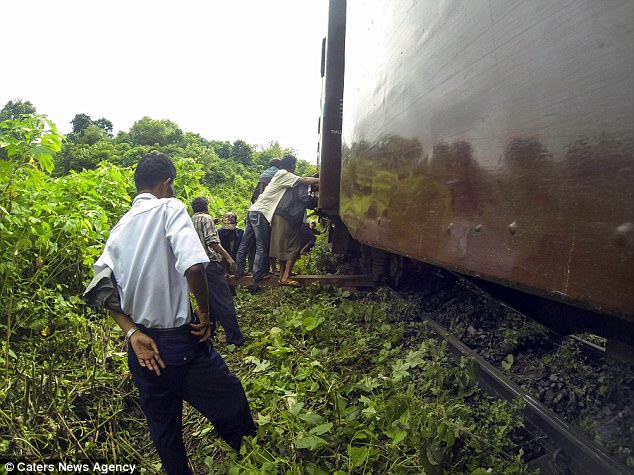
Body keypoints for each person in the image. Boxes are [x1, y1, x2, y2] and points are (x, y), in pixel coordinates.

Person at [93, 153, 255, 475]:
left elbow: (101, 289)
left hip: (140, 347)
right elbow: (195, 265)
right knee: (230, 398)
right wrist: (206, 314)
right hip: (178, 345)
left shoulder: (120, 226)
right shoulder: (170, 207)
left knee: (164, 425)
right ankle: (252, 456)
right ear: (167, 183)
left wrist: (131, 333)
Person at [235, 154, 319, 282]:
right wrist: (322, 180)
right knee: (262, 245)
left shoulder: (279, 174)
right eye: (294, 166)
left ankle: (238, 270)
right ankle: (258, 275)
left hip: (253, 210)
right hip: (261, 212)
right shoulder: (284, 174)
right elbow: (304, 180)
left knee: (245, 243)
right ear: (292, 166)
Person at [191, 198, 245, 346]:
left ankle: (209, 333)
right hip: (211, 264)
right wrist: (228, 258)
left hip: (197, 266)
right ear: (206, 207)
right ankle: (235, 338)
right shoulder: (206, 218)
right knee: (224, 301)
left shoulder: (191, 220)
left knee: (208, 301)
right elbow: (212, 241)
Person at [270, 183, 318, 286]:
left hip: (281, 216)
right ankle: (286, 277)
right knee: (294, 247)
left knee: (284, 247)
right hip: (288, 218)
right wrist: (316, 199)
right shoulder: (303, 186)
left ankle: (282, 276)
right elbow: (305, 200)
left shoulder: (293, 186)